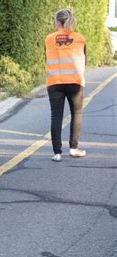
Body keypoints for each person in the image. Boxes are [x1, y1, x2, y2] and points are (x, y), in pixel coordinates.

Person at [45, 8, 86, 162]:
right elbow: (84, 59)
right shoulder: (80, 38)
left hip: (54, 82)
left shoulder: (48, 39)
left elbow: (47, 58)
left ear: (58, 22)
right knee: (76, 113)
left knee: (56, 116)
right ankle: (74, 148)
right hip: (75, 82)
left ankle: (57, 152)